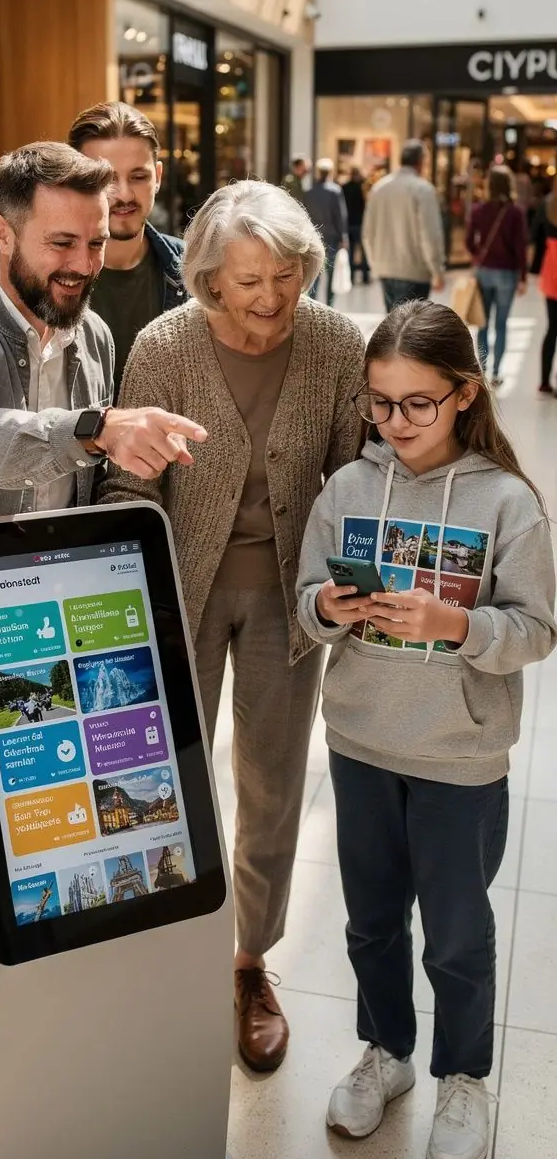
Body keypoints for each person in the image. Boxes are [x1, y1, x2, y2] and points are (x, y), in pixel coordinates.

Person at [0, 141, 207, 1159]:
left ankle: (1, 1026)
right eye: (61, 243)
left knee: (24, 865)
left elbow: (86, 488)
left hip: (37, 655)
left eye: (95, 243)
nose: (82, 263)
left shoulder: (92, 331)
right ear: (0, 232)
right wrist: (95, 427)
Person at [101, 180, 364, 1075]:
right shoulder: (165, 346)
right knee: (160, 783)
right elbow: (129, 485)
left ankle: (251, 963)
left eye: (286, 276)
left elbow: (355, 478)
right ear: (210, 278)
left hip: (290, 600)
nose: (270, 298)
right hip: (179, 594)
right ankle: (164, 953)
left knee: (272, 783)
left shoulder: (335, 343)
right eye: (249, 281)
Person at [296, 300, 556, 1159]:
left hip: (459, 757)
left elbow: (537, 630)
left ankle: (465, 1076)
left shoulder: (506, 501)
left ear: (464, 394)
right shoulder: (348, 487)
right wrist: (328, 608)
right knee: (371, 922)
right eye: (380, 402)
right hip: (361, 744)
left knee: (456, 935)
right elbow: (304, 602)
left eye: (418, 403)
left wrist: (457, 626)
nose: (396, 422)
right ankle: (387, 1052)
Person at [68, 101, 187, 394]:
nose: (123, 194)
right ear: (74, 181)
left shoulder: (194, 269)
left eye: (138, 176)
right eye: (106, 179)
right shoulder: (47, 272)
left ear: (158, 177)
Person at [362, 140, 446, 311]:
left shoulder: (379, 188)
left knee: (393, 322)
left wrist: (375, 264)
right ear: (421, 161)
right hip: (414, 271)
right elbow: (429, 235)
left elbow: (368, 233)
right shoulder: (423, 190)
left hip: (385, 269)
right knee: (410, 325)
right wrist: (437, 270)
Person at [466, 164, 528, 386]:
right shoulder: (516, 212)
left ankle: (482, 371)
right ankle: (496, 373)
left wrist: (478, 256)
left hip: (484, 272)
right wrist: (523, 277)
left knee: (482, 323)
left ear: (489, 185)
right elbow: (521, 248)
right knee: (501, 324)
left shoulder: (478, 210)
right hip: (507, 274)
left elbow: (468, 241)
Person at [303, 158, 349, 308]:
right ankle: (329, 305)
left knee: (315, 272)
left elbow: (305, 215)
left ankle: (313, 304)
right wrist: (343, 236)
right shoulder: (335, 191)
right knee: (331, 273)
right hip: (331, 237)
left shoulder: (309, 191)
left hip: (313, 236)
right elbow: (340, 215)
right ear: (330, 172)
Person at [531, 191, 557, 395]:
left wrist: (534, 268)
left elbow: (535, 236)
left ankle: (544, 381)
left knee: (552, 328)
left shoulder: (548, 204)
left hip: (552, 269)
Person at [343, 166, 369, 284]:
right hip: (360, 223)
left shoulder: (344, 187)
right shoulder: (362, 187)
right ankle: (365, 276)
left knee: (351, 251)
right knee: (363, 251)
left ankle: (351, 276)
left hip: (349, 223)